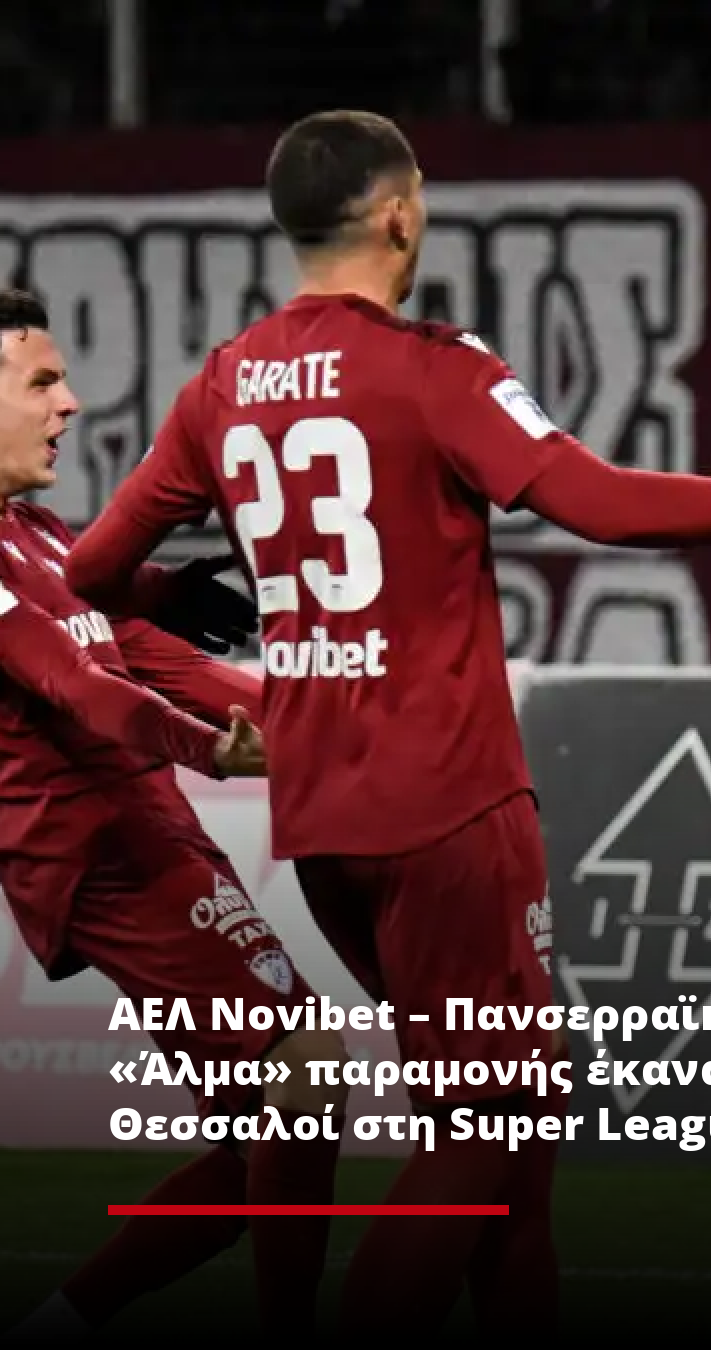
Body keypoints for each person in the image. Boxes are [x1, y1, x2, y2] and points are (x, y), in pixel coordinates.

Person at [64, 111, 711, 1336]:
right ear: (399, 213)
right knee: (499, 1119)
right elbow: (602, 505)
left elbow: (90, 570)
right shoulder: (433, 367)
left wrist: (167, 592)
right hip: (448, 811)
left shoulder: (224, 382)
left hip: (321, 824)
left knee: (509, 1144)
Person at [0, 289, 348, 1340]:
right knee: (308, 1068)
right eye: (43, 382)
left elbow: (122, 638)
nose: (71, 403)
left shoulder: (32, 531)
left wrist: (165, 592)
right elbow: (80, 686)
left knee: (261, 1149)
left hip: (144, 827)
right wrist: (211, 749)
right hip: (105, 855)